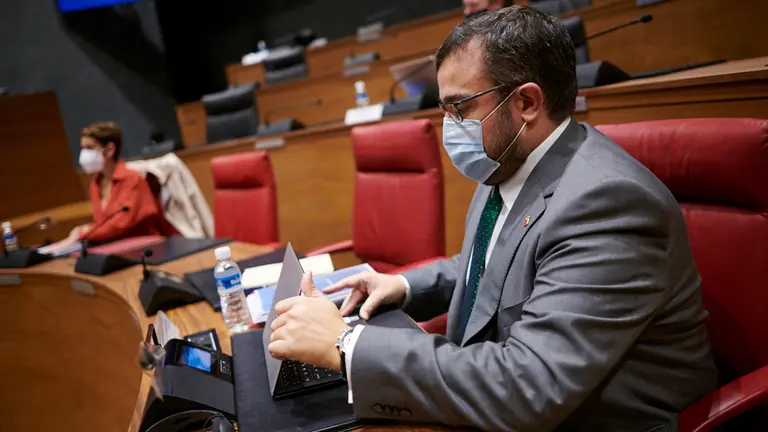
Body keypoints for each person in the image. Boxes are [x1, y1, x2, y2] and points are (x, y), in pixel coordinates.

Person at [267, 7, 717, 431]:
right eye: (443, 108)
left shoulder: (608, 203)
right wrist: (403, 287)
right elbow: (489, 264)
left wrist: (347, 346)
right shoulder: (507, 158)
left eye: (460, 107)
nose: (449, 125)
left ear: (525, 103)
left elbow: (529, 385)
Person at [47, 122, 168, 252]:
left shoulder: (132, 179)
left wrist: (82, 234)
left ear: (109, 150)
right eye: (83, 148)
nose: (84, 154)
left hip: (146, 248)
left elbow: (119, 224)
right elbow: (103, 224)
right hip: (114, 246)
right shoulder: (95, 183)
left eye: (90, 147)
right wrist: (84, 232)